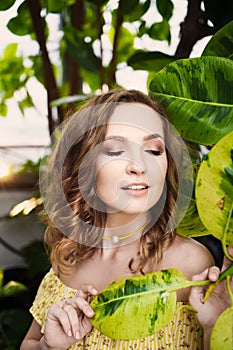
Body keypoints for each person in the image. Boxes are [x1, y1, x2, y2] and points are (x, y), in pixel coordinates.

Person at [20, 89, 232, 350]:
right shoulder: (70, 256)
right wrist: (48, 347)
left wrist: (213, 327)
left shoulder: (191, 265)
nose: (139, 166)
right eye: (116, 150)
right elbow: (30, 342)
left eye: (154, 151)